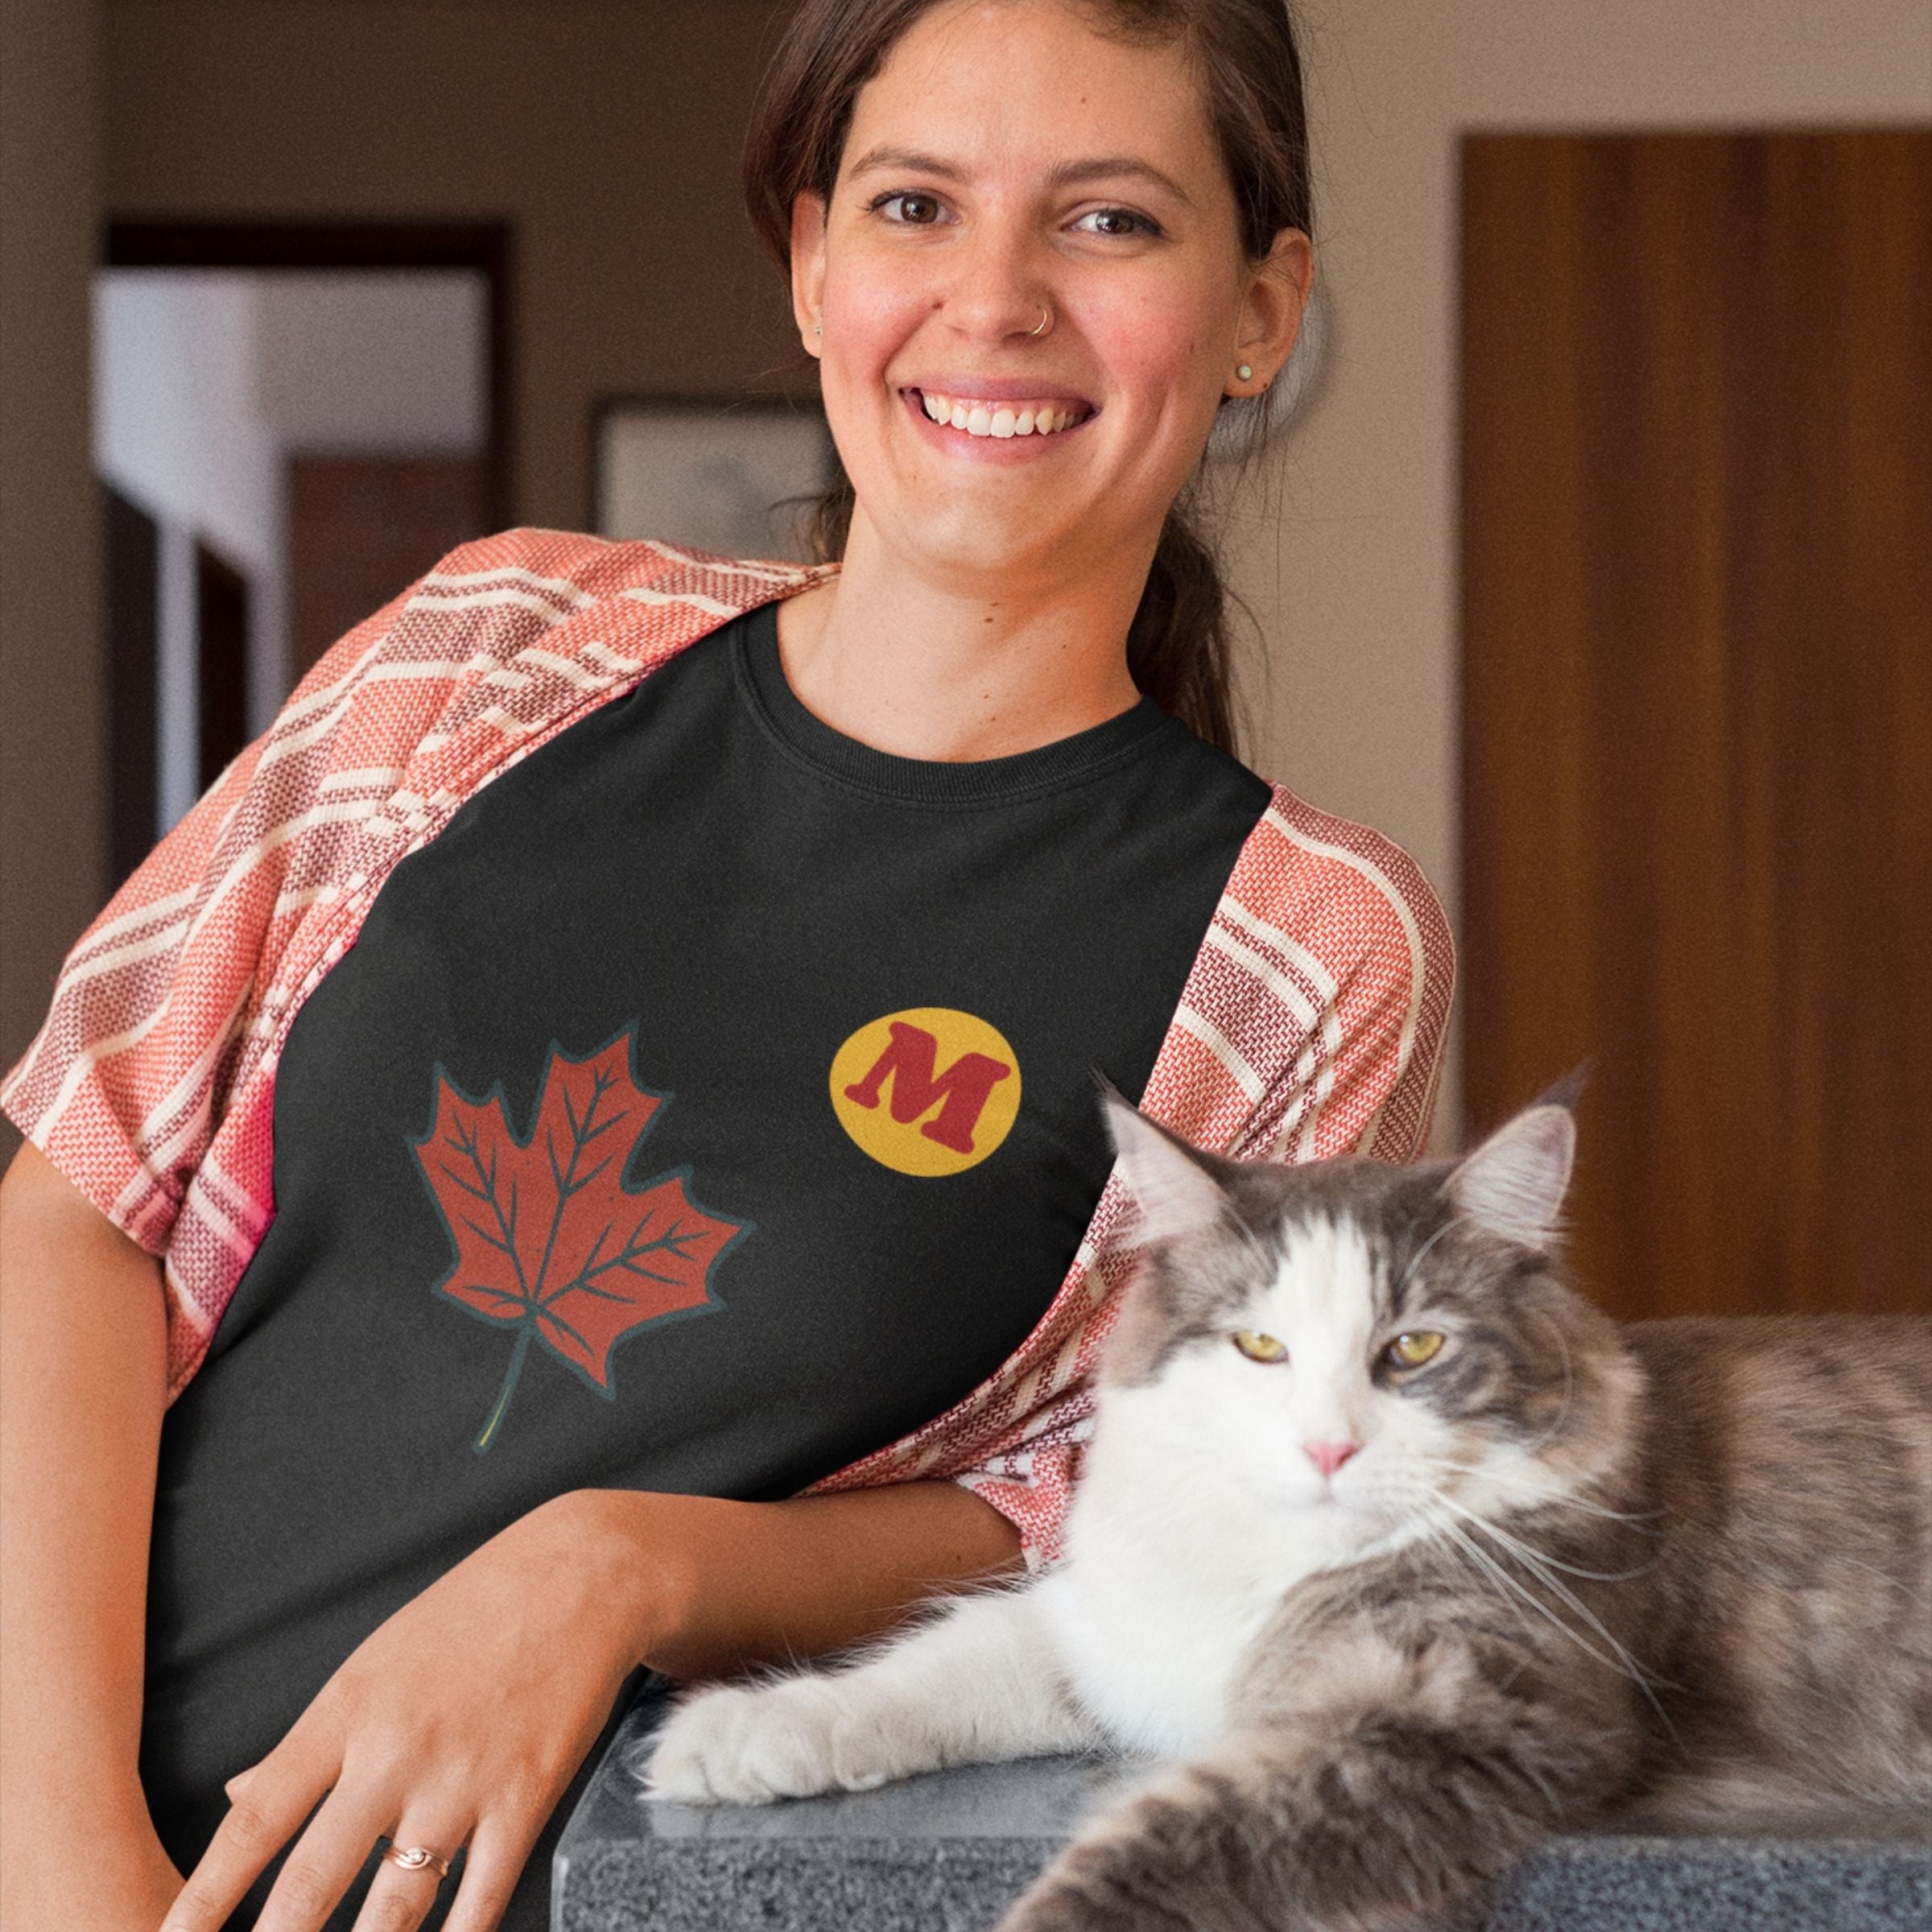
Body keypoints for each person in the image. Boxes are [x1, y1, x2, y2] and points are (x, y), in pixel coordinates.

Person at [0, 2, 1451, 1928]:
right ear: (814, 261)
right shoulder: (490, 646)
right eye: (917, 205)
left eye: (1107, 220)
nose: (995, 299)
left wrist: (624, 1567)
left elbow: (1138, 1516)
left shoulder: (1304, 944)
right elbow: (77, 1203)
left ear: (1260, 310)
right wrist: (64, 1858)